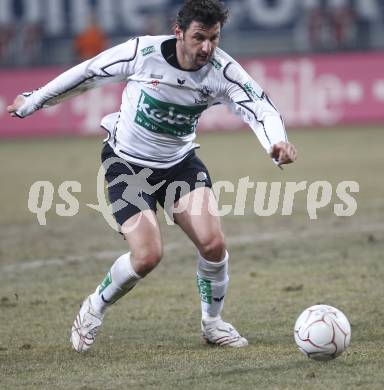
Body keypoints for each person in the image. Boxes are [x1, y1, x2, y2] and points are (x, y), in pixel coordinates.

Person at [7, 0, 297, 352]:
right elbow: (88, 72)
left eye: (214, 38)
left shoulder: (223, 71)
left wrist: (276, 141)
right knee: (147, 256)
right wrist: (35, 100)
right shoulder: (141, 53)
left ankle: (212, 323)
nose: (206, 47)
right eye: (199, 37)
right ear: (179, 32)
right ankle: (94, 307)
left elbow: (260, 106)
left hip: (179, 164)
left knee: (213, 243)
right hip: (127, 164)